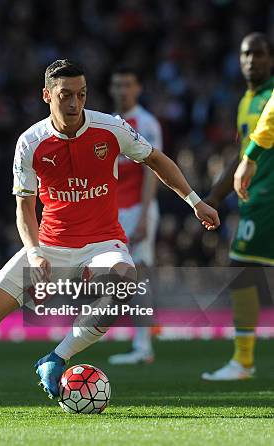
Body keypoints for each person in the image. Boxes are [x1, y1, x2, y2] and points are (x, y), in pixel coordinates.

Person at [0, 60, 219, 414]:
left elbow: (156, 160)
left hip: (103, 242)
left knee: (125, 285)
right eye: (65, 95)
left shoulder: (110, 128)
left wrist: (195, 201)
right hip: (49, 244)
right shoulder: (31, 142)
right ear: (47, 95)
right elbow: (24, 208)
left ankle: (56, 357)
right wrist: (34, 252)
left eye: (81, 95)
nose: (74, 103)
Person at [202, 33, 273, 381]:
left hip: (268, 199)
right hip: (256, 199)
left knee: (242, 269)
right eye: (246, 54)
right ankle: (242, 361)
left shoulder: (271, 96)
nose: (251, 61)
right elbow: (242, 154)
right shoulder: (248, 101)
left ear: (270, 59)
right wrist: (215, 195)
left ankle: (243, 362)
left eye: (259, 54)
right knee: (243, 271)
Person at [107, 66, 162, 365]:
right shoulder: (107, 123)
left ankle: (143, 347)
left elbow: (153, 171)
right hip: (114, 211)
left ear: (138, 88)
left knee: (138, 274)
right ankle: (139, 340)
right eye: (117, 84)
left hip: (138, 209)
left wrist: (143, 216)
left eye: (127, 84)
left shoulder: (146, 122)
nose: (122, 90)